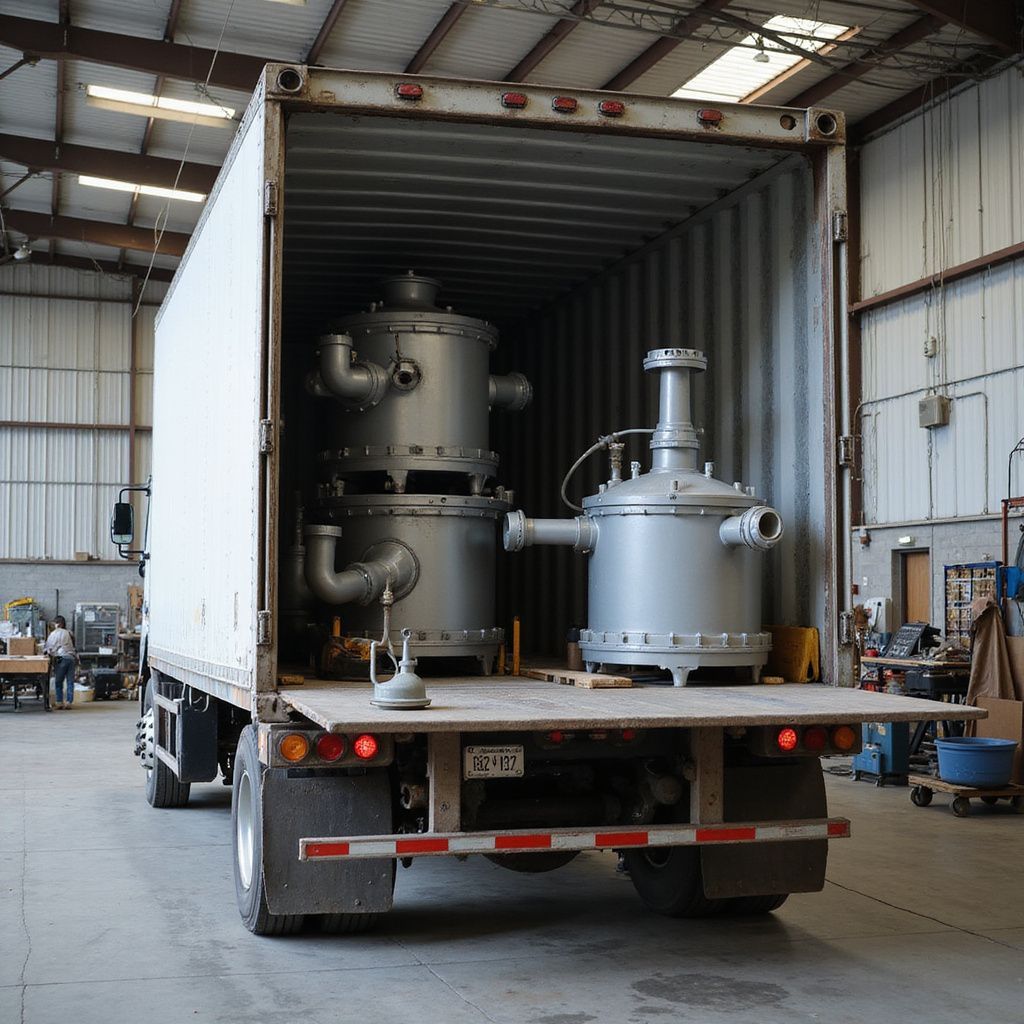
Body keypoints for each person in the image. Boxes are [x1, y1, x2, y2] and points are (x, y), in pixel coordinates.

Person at [44, 616, 77, 709]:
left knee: (58, 682)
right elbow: (73, 646)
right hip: (71, 658)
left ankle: (59, 702)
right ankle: (69, 702)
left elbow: (49, 648)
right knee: (70, 682)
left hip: (61, 658)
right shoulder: (69, 633)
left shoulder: (54, 633)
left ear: (58, 624)